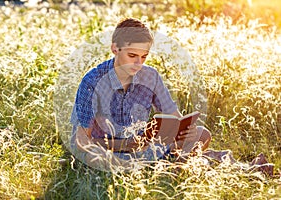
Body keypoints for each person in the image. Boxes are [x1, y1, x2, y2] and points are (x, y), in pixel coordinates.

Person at [70, 18, 212, 170]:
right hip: (106, 150)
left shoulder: (151, 77)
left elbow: (175, 118)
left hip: (142, 147)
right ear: (115, 49)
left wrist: (186, 132)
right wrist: (124, 145)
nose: (138, 63)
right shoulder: (92, 82)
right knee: (93, 157)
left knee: (202, 134)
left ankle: (154, 165)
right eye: (132, 56)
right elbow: (81, 141)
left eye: (144, 56)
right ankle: (164, 165)